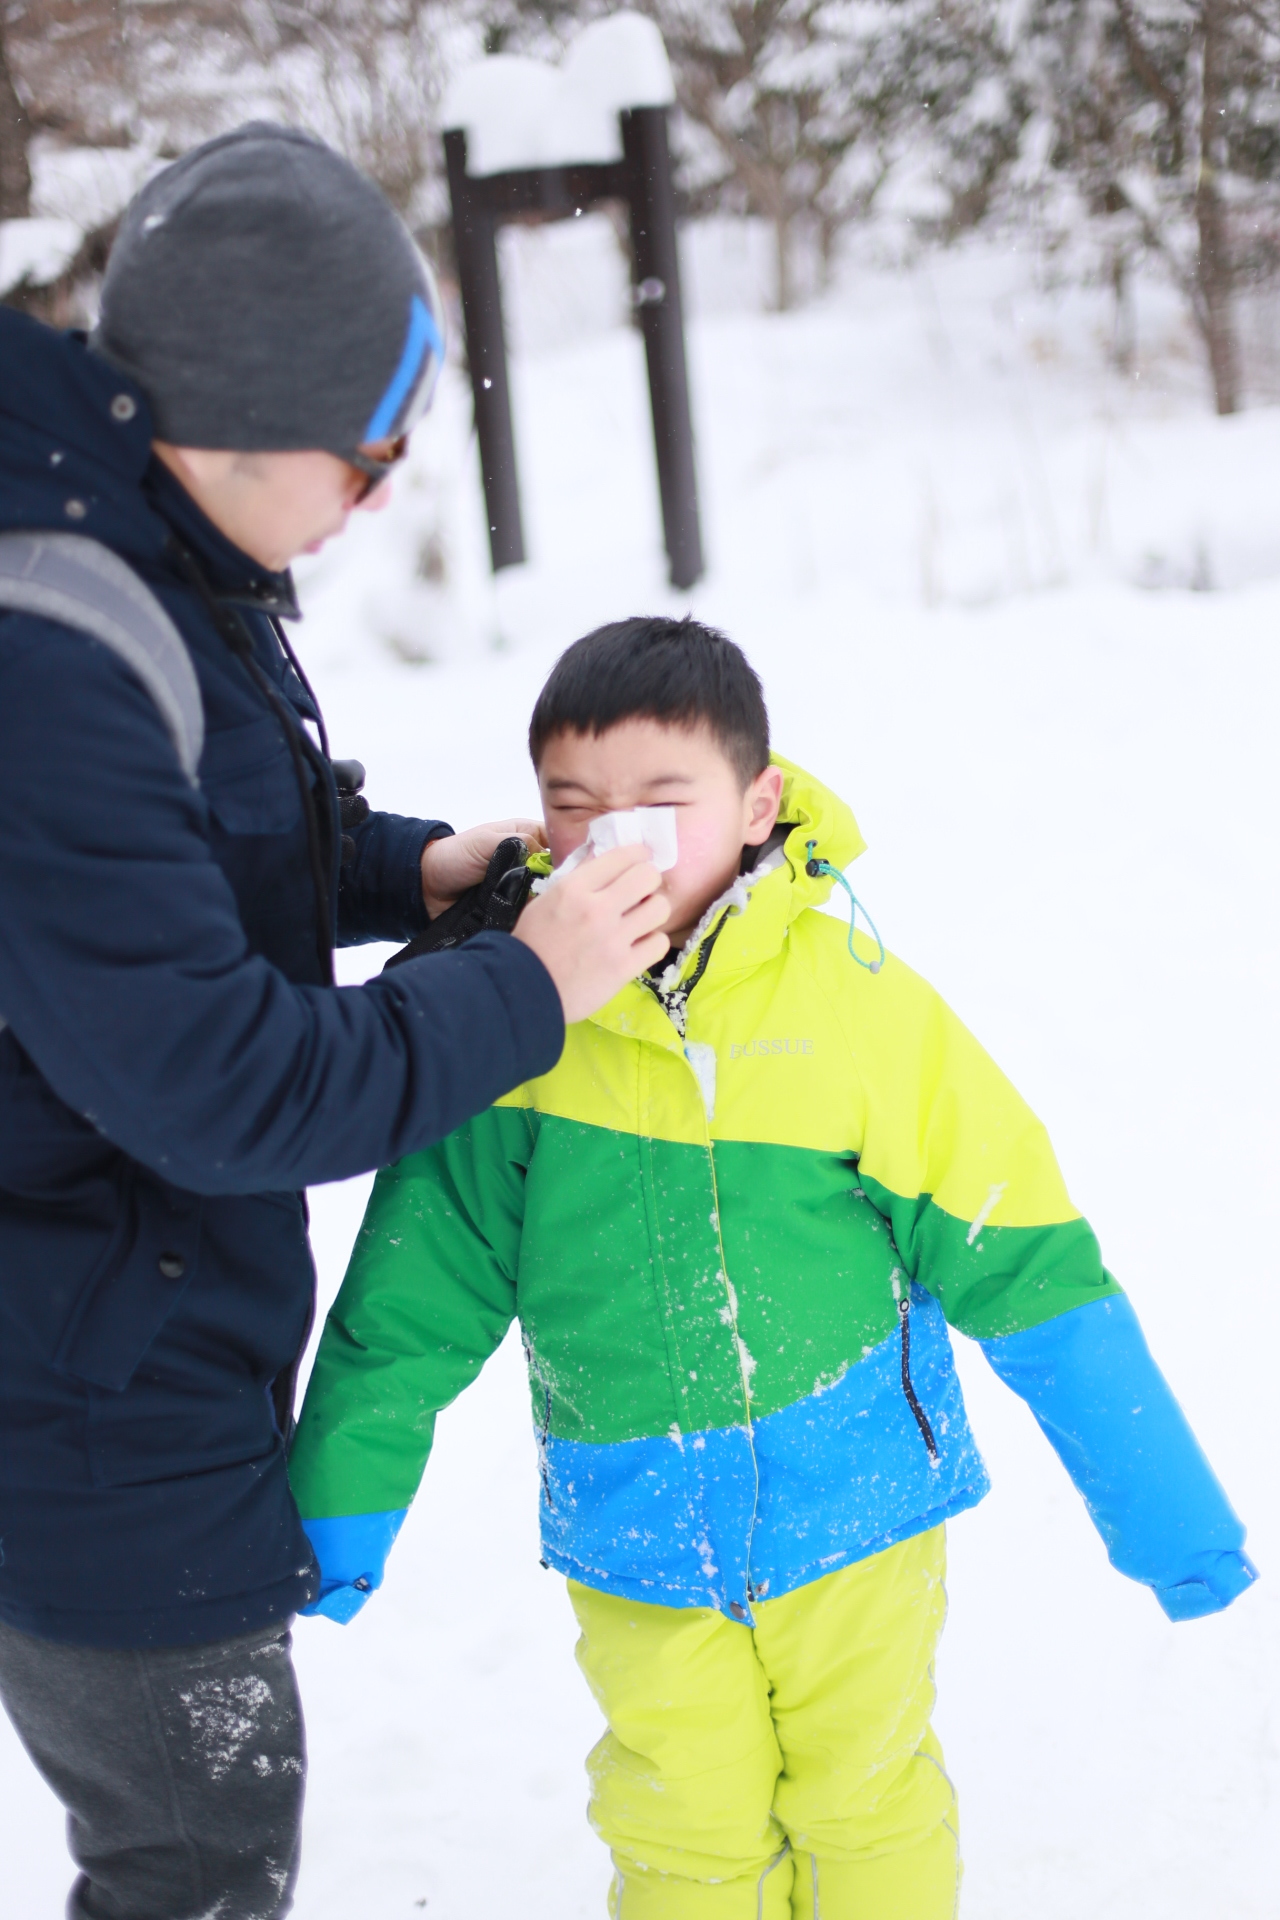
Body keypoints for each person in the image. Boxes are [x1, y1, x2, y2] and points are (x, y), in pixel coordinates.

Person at [289, 615, 1257, 1920]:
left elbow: (1033, 1270)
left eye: (659, 804)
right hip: (631, 1519)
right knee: (679, 1822)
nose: (614, 843)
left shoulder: (862, 1014)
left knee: (865, 1799)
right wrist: (333, 1515)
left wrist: (1167, 1515)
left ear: (759, 803)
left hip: (856, 1510)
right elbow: (412, 1302)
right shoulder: (513, 1027)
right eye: (575, 810)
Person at [0, 127, 669, 1920]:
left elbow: (188, 865)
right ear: (242, 422)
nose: (377, 500)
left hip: (108, 1335)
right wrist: (531, 990)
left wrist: (412, 871)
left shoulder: (131, 549)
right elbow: (224, 1089)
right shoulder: (49, 653)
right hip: (75, 1398)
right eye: (371, 459)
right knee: (191, 1866)